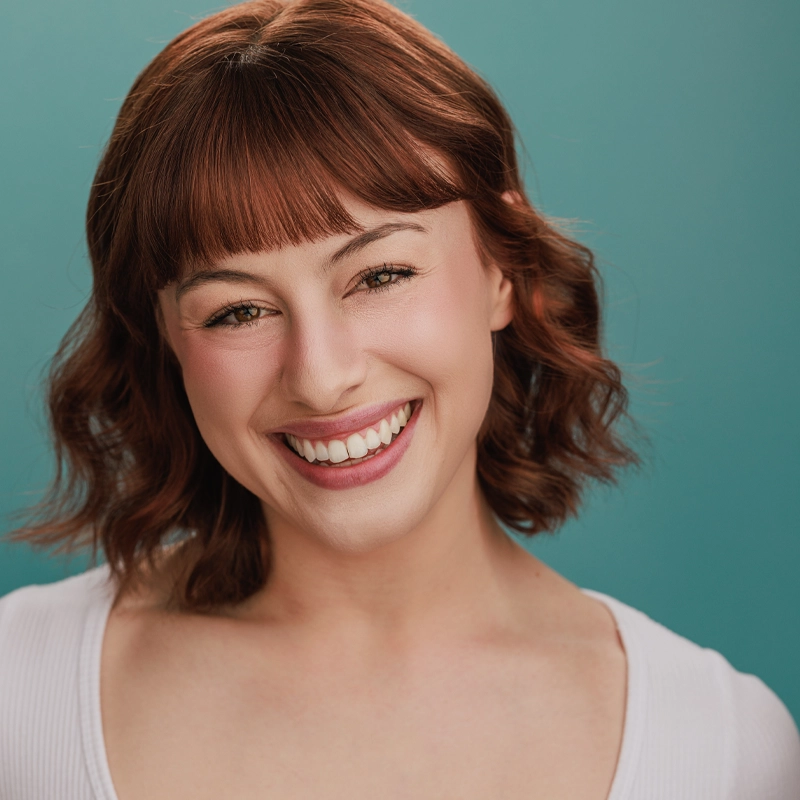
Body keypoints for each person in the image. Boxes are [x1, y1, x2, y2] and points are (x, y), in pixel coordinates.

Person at [1, 0, 798, 797]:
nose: (320, 376)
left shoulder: (722, 751)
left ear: (501, 268)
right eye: (238, 311)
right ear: (166, 340)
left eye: (380, 275)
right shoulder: (18, 697)